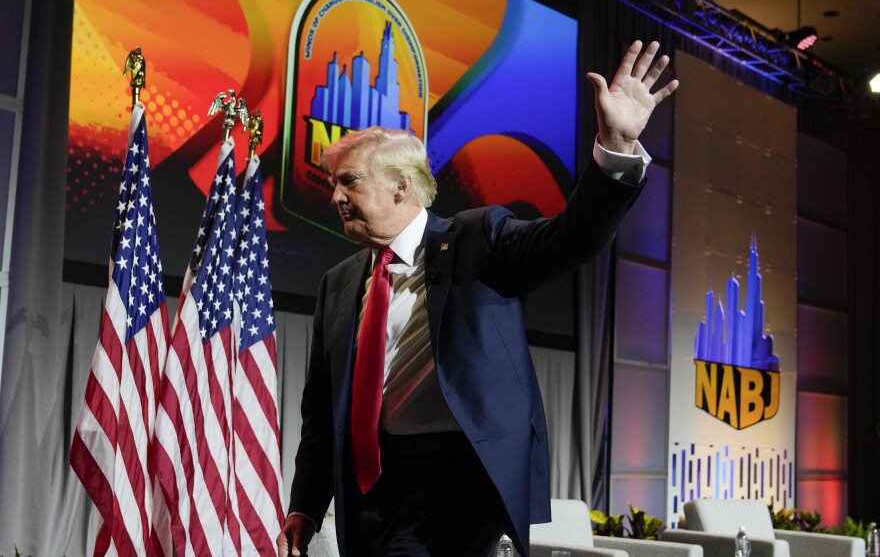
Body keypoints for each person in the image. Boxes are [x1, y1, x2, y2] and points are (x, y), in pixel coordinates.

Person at [277, 40, 679, 557]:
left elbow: (573, 238)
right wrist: (306, 505)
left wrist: (616, 148)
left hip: (456, 479)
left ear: (401, 187)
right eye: (334, 183)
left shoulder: (478, 238)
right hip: (368, 487)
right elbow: (321, 409)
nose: (335, 197)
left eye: (349, 182)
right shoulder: (338, 282)